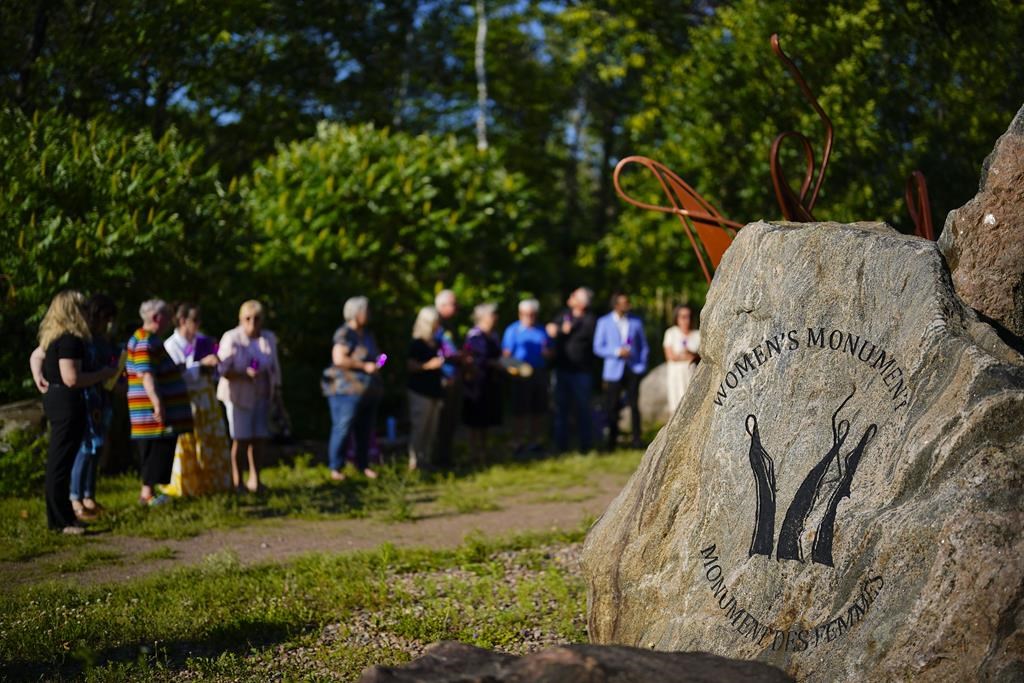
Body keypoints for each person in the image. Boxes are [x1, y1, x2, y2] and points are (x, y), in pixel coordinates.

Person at [30, 291, 118, 534]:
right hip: (67, 403)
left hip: (58, 400)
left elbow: (36, 355)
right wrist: (104, 374)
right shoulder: (70, 340)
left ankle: (64, 517)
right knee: (61, 462)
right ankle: (61, 520)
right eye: (82, 307)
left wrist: (38, 375)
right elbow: (72, 378)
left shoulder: (54, 338)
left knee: (62, 461)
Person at [126, 299, 193, 505]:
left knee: (155, 450)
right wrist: (158, 403)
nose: (169, 320)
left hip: (147, 410)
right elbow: (146, 374)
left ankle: (149, 492)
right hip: (150, 412)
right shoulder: (146, 340)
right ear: (156, 317)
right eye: (166, 315)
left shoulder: (145, 338)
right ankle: (148, 494)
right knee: (157, 450)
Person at [163, 304, 232, 496]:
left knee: (211, 443)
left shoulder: (201, 340)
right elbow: (176, 374)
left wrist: (213, 364)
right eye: (195, 320)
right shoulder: (171, 345)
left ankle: (215, 484)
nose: (198, 324)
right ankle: (190, 487)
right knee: (189, 444)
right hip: (187, 399)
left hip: (206, 398)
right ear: (183, 320)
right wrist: (200, 365)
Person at [217, 300, 281, 493]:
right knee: (241, 438)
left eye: (257, 318)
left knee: (259, 437)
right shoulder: (231, 338)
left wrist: (278, 391)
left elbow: (275, 366)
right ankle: (238, 481)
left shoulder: (268, 338)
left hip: (262, 395)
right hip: (238, 396)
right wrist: (243, 373)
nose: (253, 322)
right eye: (248, 318)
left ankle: (256, 479)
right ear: (240, 319)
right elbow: (221, 368)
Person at [67, 294, 118, 520]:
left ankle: (89, 496)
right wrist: (102, 375)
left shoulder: (103, 342)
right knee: (85, 449)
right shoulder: (81, 340)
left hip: (103, 398)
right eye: (105, 318)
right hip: (87, 399)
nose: (108, 323)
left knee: (97, 449)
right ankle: (75, 498)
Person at [321, 296, 382, 481]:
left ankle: (362, 465)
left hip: (368, 390)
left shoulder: (368, 335)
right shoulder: (344, 333)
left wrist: (379, 363)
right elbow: (339, 359)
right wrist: (364, 366)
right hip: (345, 390)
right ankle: (336, 468)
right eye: (366, 310)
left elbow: (376, 356)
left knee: (365, 429)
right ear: (357, 313)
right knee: (343, 428)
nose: (369, 314)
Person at [594, 292, 649, 451]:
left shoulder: (636, 322)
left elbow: (643, 346)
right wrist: (616, 352)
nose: (628, 305)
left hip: (632, 368)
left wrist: (642, 365)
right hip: (613, 370)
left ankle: (637, 440)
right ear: (616, 305)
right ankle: (611, 440)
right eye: (625, 302)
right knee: (611, 405)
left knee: (634, 404)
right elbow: (598, 347)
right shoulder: (604, 322)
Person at [546, 287, 597, 453]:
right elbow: (551, 329)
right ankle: (561, 446)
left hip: (582, 372)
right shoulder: (563, 315)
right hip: (562, 370)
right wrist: (559, 330)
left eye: (573, 295)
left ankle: (586, 445)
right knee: (561, 409)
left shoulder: (590, 320)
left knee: (583, 409)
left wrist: (564, 330)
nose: (570, 297)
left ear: (582, 303)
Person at [501, 298, 553, 454]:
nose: (529, 318)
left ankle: (534, 441)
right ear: (520, 314)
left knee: (538, 409)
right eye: (525, 314)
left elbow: (551, 352)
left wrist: (547, 353)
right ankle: (517, 441)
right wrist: (513, 368)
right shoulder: (512, 331)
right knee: (520, 410)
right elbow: (505, 355)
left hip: (539, 373)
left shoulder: (541, 331)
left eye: (532, 315)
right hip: (520, 374)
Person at [462, 303, 503, 461]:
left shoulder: (493, 335)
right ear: (483, 317)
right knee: (475, 419)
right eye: (492, 315)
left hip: (490, 383)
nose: (495, 318)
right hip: (476, 384)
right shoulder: (475, 336)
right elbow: (476, 359)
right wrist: (494, 363)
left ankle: (484, 451)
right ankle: (474, 453)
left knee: (487, 419)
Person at [406, 307, 445, 470]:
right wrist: (429, 365)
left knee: (431, 429)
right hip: (420, 391)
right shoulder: (416, 343)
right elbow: (410, 365)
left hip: (435, 390)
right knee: (420, 428)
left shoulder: (436, 342)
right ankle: (414, 462)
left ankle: (426, 460)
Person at [433, 289, 461, 468]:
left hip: (453, 378)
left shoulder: (450, 326)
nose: (457, 307)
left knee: (450, 422)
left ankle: (446, 459)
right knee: (439, 423)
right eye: (453, 304)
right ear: (441, 305)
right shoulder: (434, 325)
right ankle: (435, 461)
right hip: (441, 380)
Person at [663, 304, 702, 413]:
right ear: (677, 318)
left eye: (689, 316)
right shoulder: (671, 333)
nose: (687, 320)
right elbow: (670, 356)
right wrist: (690, 355)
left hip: (691, 374)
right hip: (676, 376)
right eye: (683, 317)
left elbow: (699, 356)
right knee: (676, 407)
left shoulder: (697, 334)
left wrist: (687, 354)